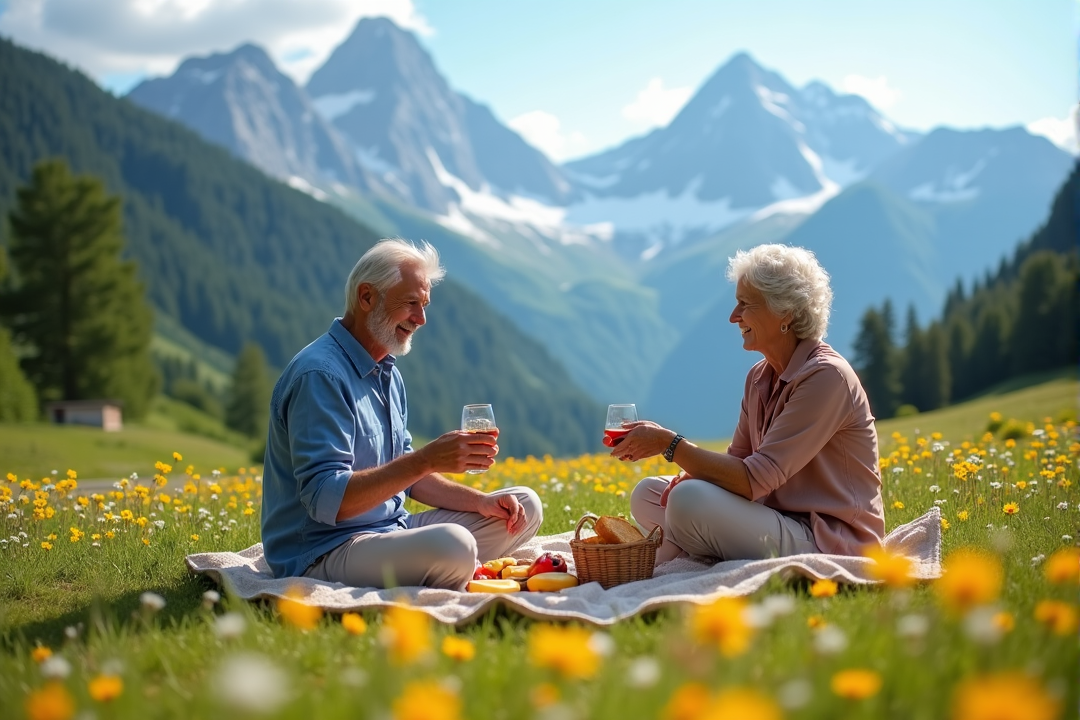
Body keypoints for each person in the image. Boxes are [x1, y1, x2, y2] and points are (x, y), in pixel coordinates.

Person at [261, 238, 542, 590]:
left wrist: (481, 502)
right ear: (367, 298)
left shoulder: (387, 372)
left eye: (424, 305)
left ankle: (435, 562)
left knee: (524, 507)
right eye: (411, 303)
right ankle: (443, 564)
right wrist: (426, 459)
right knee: (456, 545)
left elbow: (406, 475)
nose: (421, 319)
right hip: (323, 550)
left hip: (391, 530)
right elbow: (326, 501)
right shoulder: (320, 376)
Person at [616, 243, 884, 564]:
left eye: (745, 304)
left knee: (687, 500)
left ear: (785, 312)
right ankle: (685, 546)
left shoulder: (826, 377)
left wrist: (669, 444)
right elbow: (738, 461)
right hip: (774, 516)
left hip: (828, 539)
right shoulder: (759, 376)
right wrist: (697, 473)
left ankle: (679, 548)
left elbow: (752, 480)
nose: (734, 316)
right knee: (649, 494)